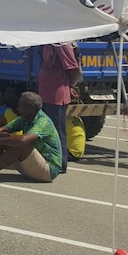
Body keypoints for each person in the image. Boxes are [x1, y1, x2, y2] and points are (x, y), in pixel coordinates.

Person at [0, 91, 62, 182]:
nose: (18, 109)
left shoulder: (42, 122)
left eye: (21, 106)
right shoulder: (24, 118)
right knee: (2, 136)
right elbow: (3, 129)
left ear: (31, 108)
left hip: (48, 170)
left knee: (20, 144)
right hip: (31, 166)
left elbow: (23, 140)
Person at [38, 42, 82, 173]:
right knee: (47, 129)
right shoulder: (47, 44)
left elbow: (74, 69)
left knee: (57, 129)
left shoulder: (61, 45)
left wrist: (70, 86)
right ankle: (49, 160)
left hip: (57, 95)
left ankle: (60, 164)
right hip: (46, 93)